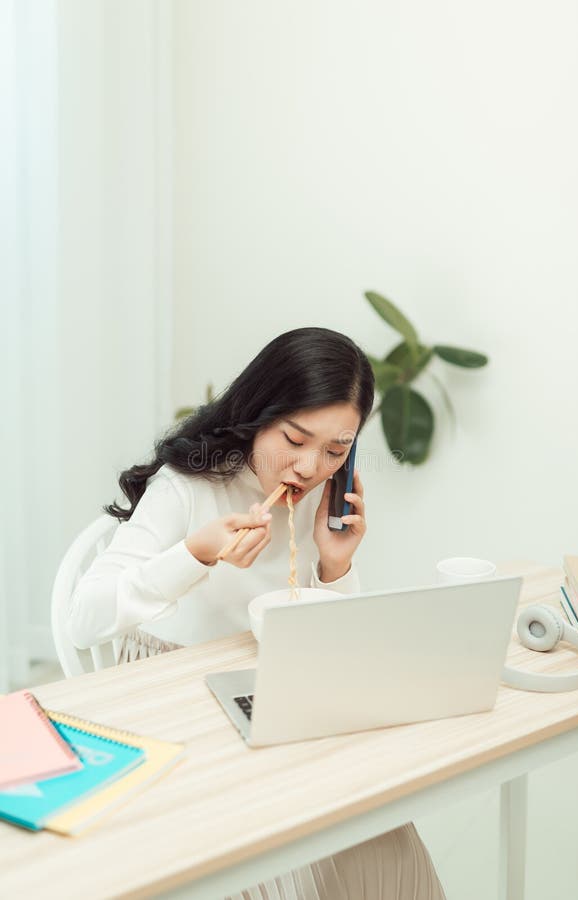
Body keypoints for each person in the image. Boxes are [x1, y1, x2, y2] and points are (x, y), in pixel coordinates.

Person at [68, 326, 446, 900]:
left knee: (378, 826)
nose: (308, 466)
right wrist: (193, 554)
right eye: (295, 439)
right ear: (259, 413)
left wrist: (336, 565)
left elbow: (336, 645)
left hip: (271, 682)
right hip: (175, 687)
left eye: (335, 450)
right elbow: (83, 619)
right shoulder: (187, 485)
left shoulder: (322, 497)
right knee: (270, 847)